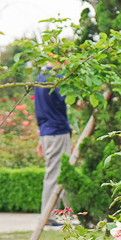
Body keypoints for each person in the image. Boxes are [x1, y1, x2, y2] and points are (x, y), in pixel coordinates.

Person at [34, 74, 71, 225]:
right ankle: (48, 216)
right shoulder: (57, 78)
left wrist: (40, 137)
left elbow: (40, 109)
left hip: (47, 132)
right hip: (57, 131)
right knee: (55, 173)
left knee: (63, 172)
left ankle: (71, 210)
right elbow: (71, 99)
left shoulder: (40, 78)